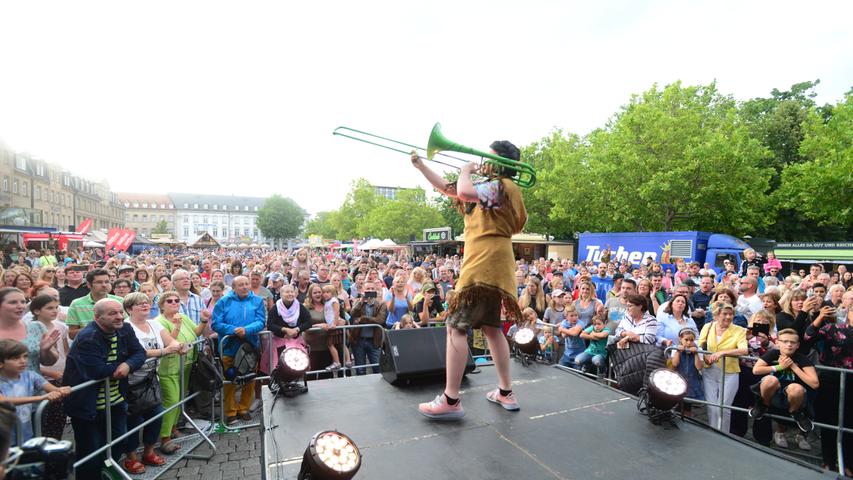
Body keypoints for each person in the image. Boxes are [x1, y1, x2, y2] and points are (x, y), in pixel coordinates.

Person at [412, 140, 527, 420]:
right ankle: (505, 391)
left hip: (482, 266)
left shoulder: (501, 185)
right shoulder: (489, 193)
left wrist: (466, 169)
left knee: (455, 328)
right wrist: (421, 166)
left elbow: (463, 188)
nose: (481, 160)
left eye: (488, 156)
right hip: (494, 266)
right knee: (491, 328)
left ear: (503, 163)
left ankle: (451, 399)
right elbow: (449, 189)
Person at [63, 298, 147, 479]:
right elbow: (97, 370)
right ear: (97, 317)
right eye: (112, 313)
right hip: (88, 405)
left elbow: (140, 353)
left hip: (116, 400)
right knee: (90, 451)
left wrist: (127, 365)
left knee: (118, 441)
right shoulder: (88, 337)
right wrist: (123, 366)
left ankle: (105, 472)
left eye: (120, 312)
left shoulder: (124, 328)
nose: (119, 317)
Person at [123, 292, 182, 472]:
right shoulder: (126, 327)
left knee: (156, 415)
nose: (145, 305)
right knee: (132, 420)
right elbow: (140, 353)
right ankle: (130, 457)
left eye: (147, 302)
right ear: (129, 309)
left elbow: (170, 340)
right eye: (140, 304)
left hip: (151, 379)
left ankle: (148, 451)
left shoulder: (154, 324)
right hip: (131, 382)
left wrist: (178, 346)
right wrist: (166, 351)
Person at [804, 301, 852, 474]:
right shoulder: (833, 328)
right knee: (829, 421)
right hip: (831, 379)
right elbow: (808, 337)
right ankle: (828, 461)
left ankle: (847, 463)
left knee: (850, 422)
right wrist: (820, 317)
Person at [211, 276, 265, 425]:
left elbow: (261, 321)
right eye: (241, 285)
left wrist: (246, 330)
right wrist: (234, 330)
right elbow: (215, 324)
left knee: (250, 379)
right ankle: (230, 411)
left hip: (250, 347)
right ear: (233, 287)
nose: (245, 287)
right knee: (229, 380)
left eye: (247, 284)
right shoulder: (224, 301)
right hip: (229, 347)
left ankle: (244, 409)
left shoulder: (258, 301)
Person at [750, 329, 819, 435]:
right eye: (785, 341)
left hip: (794, 396)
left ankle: (796, 413)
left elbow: (814, 384)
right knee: (770, 379)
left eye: (793, 342)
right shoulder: (773, 353)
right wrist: (779, 367)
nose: (789, 345)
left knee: (795, 388)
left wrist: (794, 367)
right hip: (772, 392)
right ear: (778, 342)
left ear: (798, 345)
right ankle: (763, 405)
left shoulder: (801, 358)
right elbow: (756, 370)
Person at [0, 339, 69, 444]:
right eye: (16, 358)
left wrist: (62, 390)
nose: (23, 361)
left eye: (25, 356)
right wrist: (42, 397)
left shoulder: (30, 375)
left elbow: (52, 389)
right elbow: (4, 400)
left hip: (25, 433)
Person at [698, 301, 748, 433]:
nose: (728, 317)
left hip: (729, 372)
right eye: (725, 314)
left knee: (724, 407)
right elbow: (700, 345)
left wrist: (723, 353)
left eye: (731, 314)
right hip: (709, 370)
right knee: (711, 405)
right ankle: (712, 431)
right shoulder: (708, 327)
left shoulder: (739, 330)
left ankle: (723, 434)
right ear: (716, 315)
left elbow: (744, 350)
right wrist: (705, 357)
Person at [29, 294, 69, 440]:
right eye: (49, 308)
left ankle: (54, 446)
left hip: (61, 373)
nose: (54, 311)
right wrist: (50, 373)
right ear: (36, 311)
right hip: (44, 378)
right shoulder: (31, 328)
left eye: (56, 307)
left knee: (58, 416)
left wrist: (66, 369)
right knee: (42, 417)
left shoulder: (61, 326)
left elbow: (65, 351)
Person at [0, 288, 59, 374]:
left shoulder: (37, 327)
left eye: (23, 302)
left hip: (34, 385)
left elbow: (49, 362)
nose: (20, 306)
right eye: (13, 302)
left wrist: (45, 351)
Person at [264, 285, 313, 377]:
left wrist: (297, 329)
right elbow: (270, 325)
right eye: (287, 292)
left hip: (296, 342)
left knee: (298, 367)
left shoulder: (300, 306)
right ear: (281, 294)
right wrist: (285, 330)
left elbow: (308, 322)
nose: (290, 294)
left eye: (291, 292)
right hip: (279, 343)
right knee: (279, 369)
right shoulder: (275, 308)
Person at [66, 268, 123, 339]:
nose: (104, 285)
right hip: (89, 346)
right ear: (89, 285)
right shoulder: (77, 304)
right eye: (99, 282)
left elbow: (127, 327)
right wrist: (98, 327)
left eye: (107, 282)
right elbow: (71, 334)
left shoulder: (120, 301)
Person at [349, 282, 388, 375]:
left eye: (371, 289)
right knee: (360, 370)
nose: (369, 291)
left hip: (374, 341)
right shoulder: (358, 301)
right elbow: (352, 314)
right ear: (362, 291)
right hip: (358, 340)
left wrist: (363, 319)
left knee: (378, 369)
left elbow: (380, 320)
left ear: (375, 291)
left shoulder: (381, 303)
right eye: (367, 289)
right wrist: (361, 301)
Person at [670, 328, 704, 409]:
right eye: (686, 340)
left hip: (692, 382)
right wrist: (678, 352)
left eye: (691, 340)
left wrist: (696, 354)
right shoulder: (675, 348)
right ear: (680, 339)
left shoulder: (699, 350)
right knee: (675, 404)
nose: (689, 343)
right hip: (678, 380)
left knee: (687, 407)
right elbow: (675, 364)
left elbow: (699, 367)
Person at [321, 284, 346, 371]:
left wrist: (334, 323)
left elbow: (336, 312)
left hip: (334, 325)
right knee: (337, 343)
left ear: (332, 293)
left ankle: (338, 362)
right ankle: (342, 361)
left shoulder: (334, 300)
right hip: (330, 324)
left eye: (328, 292)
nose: (325, 294)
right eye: (324, 292)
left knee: (331, 344)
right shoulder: (327, 302)